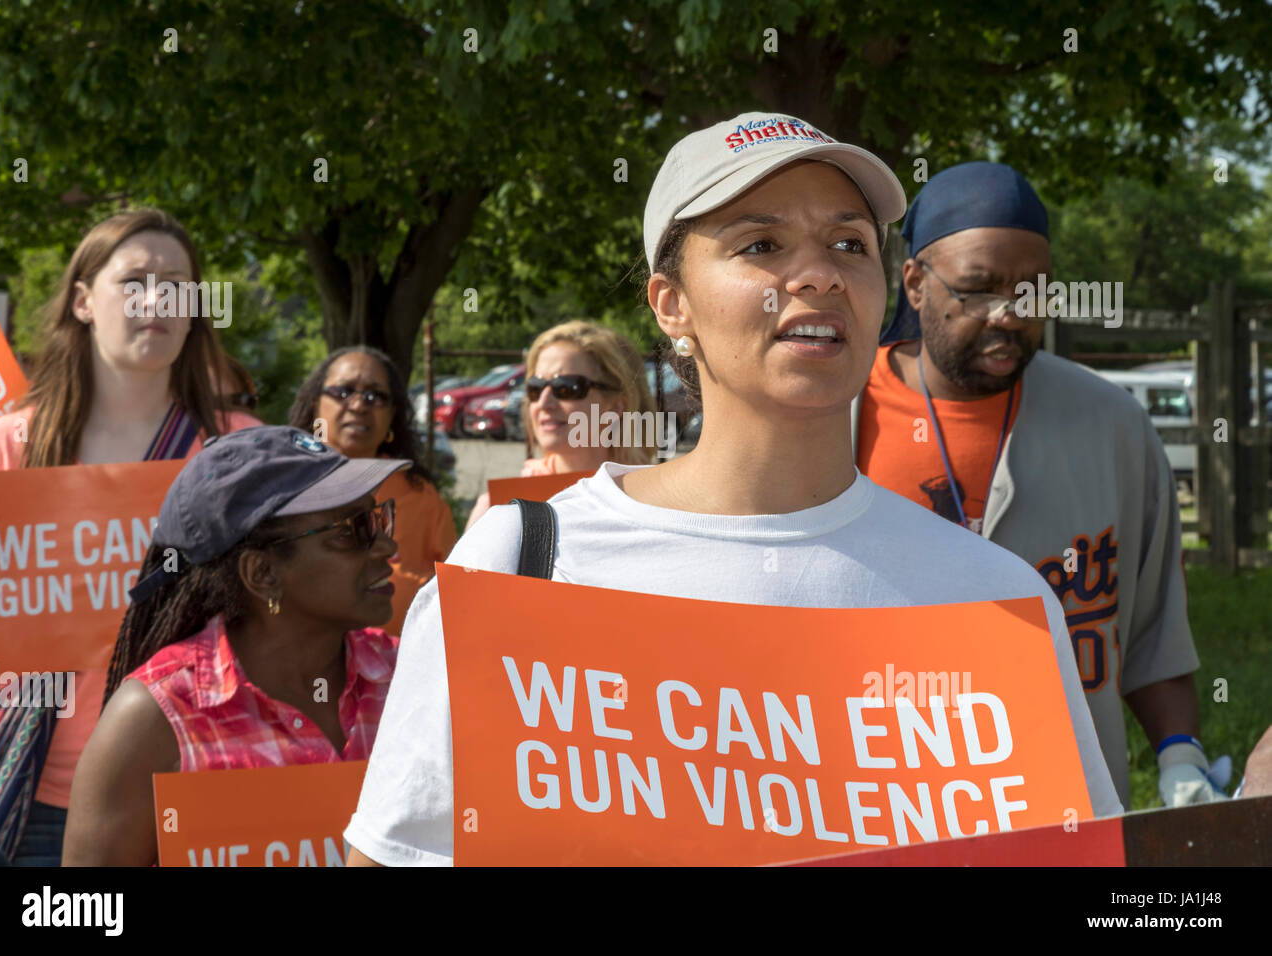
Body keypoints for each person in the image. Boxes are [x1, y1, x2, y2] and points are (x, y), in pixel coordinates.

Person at [344, 112, 1122, 866]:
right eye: (762, 243)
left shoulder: (992, 600)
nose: (818, 273)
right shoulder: (523, 565)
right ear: (671, 305)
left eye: (850, 243)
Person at [855, 161, 1215, 810]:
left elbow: (1152, 634)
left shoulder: (1114, 427)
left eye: (1033, 291)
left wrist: (1179, 756)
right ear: (914, 284)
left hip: (1071, 815)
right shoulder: (838, 421)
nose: (1009, 316)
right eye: (978, 289)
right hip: (886, 814)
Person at [0, 209, 262, 865]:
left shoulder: (240, 452)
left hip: (196, 790)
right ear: (82, 300)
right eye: (134, 282)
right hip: (28, 804)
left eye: (177, 284)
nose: (157, 299)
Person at [62, 427, 403, 866]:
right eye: (352, 531)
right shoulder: (155, 721)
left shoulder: (413, 677)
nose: (388, 546)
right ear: (261, 573)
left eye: (378, 518)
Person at [288, 346, 456, 635]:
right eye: (343, 391)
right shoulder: (283, 487)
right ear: (315, 404)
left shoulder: (421, 496)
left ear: (392, 416)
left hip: (400, 668)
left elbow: (454, 595)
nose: (358, 405)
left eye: (375, 396)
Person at [464, 320, 658, 531]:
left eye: (566, 388)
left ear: (615, 407)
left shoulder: (657, 502)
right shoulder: (501, 509)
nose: (544, 403)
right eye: (535, 388)